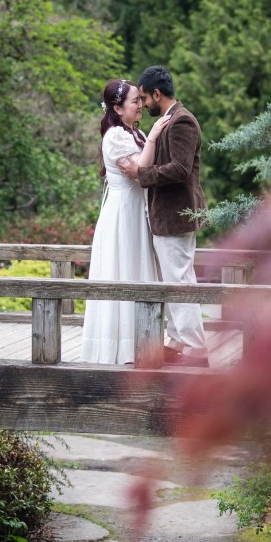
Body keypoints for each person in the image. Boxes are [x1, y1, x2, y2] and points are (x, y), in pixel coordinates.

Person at [118, 65, 209, 367]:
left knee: (180, 282)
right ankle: (178, 341)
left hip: (176, 216)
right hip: (167, 217)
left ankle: (196, 350)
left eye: (144, 98)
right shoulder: (171, 120)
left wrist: (141, 174)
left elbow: (181, 170)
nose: (143, 105)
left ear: (156, 94)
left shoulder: (183, 122)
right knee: (174, 280)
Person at [81, 78, 163, 365]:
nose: (140, 105)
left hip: (135, 212)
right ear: (117, 108)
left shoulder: (132, 134)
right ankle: (121, 347)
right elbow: (140, 170)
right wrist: (153, 136)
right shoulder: (116, 136)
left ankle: (143, 344)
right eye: (134, 101)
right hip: (122, 215)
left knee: (136, 268)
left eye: (140, 100)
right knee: (123, 268)